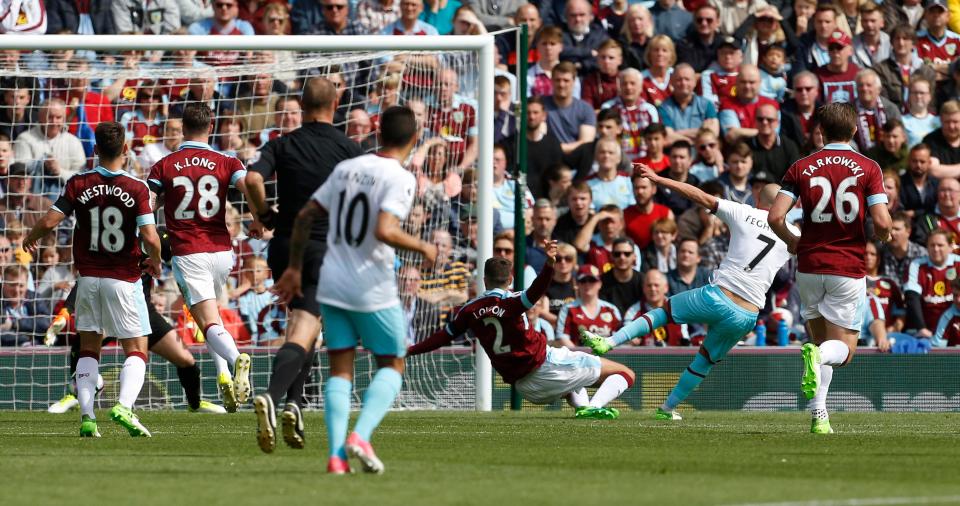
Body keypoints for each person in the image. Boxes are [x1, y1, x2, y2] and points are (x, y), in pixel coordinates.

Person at [271, 106, 439, 474]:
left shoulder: (346, 169)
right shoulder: (400, 177)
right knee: (393, 363)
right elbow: (384, 230)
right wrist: (424, 247)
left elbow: (303, 217)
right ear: (414, 140)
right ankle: (360, 436)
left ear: (377, 133)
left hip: (332, 281)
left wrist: (295, 268)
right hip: (371, 285)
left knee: (340, 370)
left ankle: (335, 457)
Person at [582, 162, 794, 419]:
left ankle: (609, 341)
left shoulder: (743, 212)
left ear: (759, 199)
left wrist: (658, 179)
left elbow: (698, 195)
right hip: (747, 315)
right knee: (704, 360)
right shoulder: (793, 234)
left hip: (718, 296)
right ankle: (667, 409)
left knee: (664, 312)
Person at [245, 78, 365, 451]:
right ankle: (273, 394)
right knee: (304, 325)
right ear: (335, 104)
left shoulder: (282, 143)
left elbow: (251, 178)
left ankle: (294, 405)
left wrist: (263, 212)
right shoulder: (349, 149)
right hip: (323, 248)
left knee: (307, 321)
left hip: (283, 247)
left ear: (302, 103)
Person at [23, 121, 163, 437]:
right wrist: (155, 262)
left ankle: (88, 418)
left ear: (95, 149)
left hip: (87, 280)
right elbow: (151, 238)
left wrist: (30, 238)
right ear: (126, 150)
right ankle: (124, 407)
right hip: (124, 279)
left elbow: (49, 219)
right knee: (137, 348)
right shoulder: (137, 187)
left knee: (89, 348)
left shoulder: (78, 183)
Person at [767, 103, 892, 434]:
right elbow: (880, 221)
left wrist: (793, 242)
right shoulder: (868, 167)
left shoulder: (801, 166)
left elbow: (775, 217)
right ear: (854, 131)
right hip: (846, 267)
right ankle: (817, 360)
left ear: (820, 131)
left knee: (821, 344)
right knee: (844, 351)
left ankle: (819, 416)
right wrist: (885, 234)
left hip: (808, 266)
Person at [409, 241, 635, 420]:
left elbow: (441, 337)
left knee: (571, 382)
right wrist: (549, 264)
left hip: (524, 388)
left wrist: (410, 350)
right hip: (546, 366)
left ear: (484, 280)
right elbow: (537, 289)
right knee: (625, 373)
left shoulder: (468, 310)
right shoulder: (514, 301)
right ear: (510, 279)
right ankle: (594, 407)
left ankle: (584, 408)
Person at [148, 103, 256, 414]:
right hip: (222, 251)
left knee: (207, 320)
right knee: (211, 317)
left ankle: (236, 363)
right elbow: (249, 184)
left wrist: (148, 241)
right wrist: (256, 220)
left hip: (189, 250)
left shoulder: (165, 165)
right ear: (211, 128)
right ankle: (222, 375)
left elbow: (147, 204)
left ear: (183, 129)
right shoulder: (227, 160)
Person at [46, 236, 227, 415]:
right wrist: (66, 310)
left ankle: (195, 404)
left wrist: (191, 304)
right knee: (84, 346)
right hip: (110, 308)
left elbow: (183, 265)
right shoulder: (109, 236)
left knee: (186, 360)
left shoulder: (155, 237)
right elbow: (86, 278)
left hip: (143, 312)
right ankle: (75, 394)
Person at [903, 228, 960, 337]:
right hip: (926, 331)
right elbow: (912, 297)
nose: (935, 249)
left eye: (940, 245)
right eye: (932, 245)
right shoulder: (916, 265)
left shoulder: (958, 263)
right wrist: (921, 328)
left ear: (950, 247)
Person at [556, 264, 622, 347]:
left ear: (600, 284)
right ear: (578, 284)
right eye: (583, 281)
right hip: (578, 358)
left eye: (592, 280)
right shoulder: (568, 309)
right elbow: (563, 338)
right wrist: (582, 356)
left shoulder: (611, 309)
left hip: (609, 356)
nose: (587, 284)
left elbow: (619, 338)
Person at [599, 237, 643, 315]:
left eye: (627, 254)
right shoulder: (601, 282)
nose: (622, 257)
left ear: (634, 257)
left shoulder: (643, 281)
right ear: (611, 256)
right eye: (617, 254)